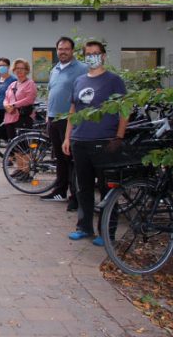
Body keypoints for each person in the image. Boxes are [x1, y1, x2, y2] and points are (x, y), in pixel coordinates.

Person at [62, 41, 127, 246]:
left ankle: (106, 232)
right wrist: (67, 137)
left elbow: (124, 110)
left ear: (103, 56)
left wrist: (119, 137)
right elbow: (73, 110)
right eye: (88, 54)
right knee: (83, 188)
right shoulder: (79, 81)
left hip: (104, 143)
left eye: (96, 53)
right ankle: (84, 227)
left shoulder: (114, 81)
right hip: (80, 141)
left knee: (107, 189)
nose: (92, 57)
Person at [41, 36, 89, 208]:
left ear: (72, 51)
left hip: (69, 119)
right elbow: (51, 92)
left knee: (72, 160)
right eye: (60, 49)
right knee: (60, 159)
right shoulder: (54, 69)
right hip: (53, 118)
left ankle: (75, 197)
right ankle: (60, 191)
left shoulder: (82, 68)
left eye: (67, 49)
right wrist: (48, 115)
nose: (63, 52)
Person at [2, 59, 37, 178]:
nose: (19, 70)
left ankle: (26, 171)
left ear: (27, 70)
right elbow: (6, 98)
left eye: (22, 68)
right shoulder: (12, 84)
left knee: (24, 145)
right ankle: (19, 168)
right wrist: (6, 105)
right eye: (17, 68)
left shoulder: (30, 83)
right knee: (15, 144)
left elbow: (29, 99)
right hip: (10, 117)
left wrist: (13, 105)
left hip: (23, 118)